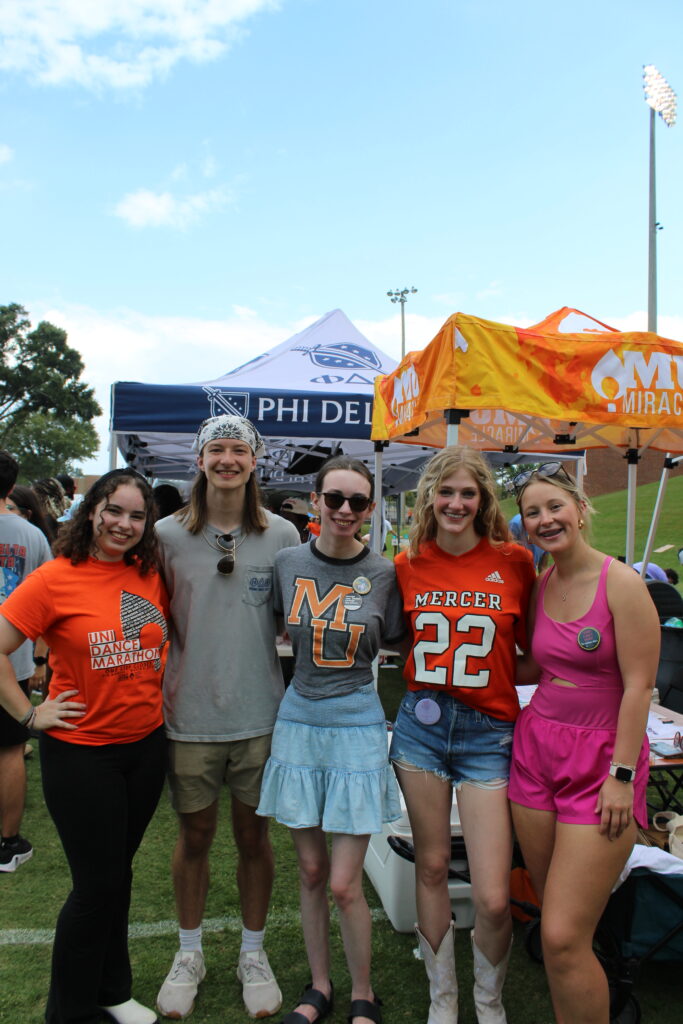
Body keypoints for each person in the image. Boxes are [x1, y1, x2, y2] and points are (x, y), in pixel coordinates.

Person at [0, 468, 170, 1024]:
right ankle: (67, 1013)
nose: (124, 523)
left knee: (116, 874)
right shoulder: (54, 577)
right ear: (93, 510)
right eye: (114, 510)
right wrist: (29, 714)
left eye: (136, 515)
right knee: (96, 885)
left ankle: (112, 991)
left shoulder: (151, 574)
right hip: (80, 753)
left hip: (144, 748)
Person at [155, 414, 300, 1021]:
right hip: (187, 715)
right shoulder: (163, 534)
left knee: (253, 838)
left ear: (255, 461)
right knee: (194, 837)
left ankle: (253, 952)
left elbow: (295, 620)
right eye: (217, 449)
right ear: (200, 460)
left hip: (259, 716)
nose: (228, 460)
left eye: (239, 449)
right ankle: (189, 953)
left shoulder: (283, 533)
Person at [508, 462, 660, 1024]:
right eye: (532, 513)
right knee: (555, 929)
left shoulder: (620, 582)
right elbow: (532, 666)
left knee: (564, 935)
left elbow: (640, 686)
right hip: (536, 753)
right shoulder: (541, 581)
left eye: (554, 508)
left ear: (580, 509)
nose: (545, 520)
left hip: (602, 762)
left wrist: (622, 777)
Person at [389, 446, 535, 1024]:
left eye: (467, 493)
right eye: (445, 492)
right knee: (429, 867)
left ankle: (488, 1001)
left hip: (489, 735)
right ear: (430, 497)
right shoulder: (406, 564)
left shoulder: (515, 561)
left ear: (482, 501)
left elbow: (532, 653)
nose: (455, 503)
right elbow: (402, 645)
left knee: (494, 893)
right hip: (422, 728)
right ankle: (443, 1000)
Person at [257, 456, 405, 1024]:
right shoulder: (287, 562)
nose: (345, 510)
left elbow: (396, 640)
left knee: (345, 883)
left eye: (358, 502)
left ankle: (363, 991)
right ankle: (319, 987)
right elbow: (271, 628)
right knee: (313, 872)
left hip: (357, 723)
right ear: (314, 501)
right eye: (335, 498)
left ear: (369, 509)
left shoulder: (386, 571)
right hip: (298, 722)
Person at [0, 453, 52, 872]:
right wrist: (40, 659)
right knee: (10, 750)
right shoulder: (31, 534)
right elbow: (51, 601)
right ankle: (8, 842)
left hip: (11, 656)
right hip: (13, 660)